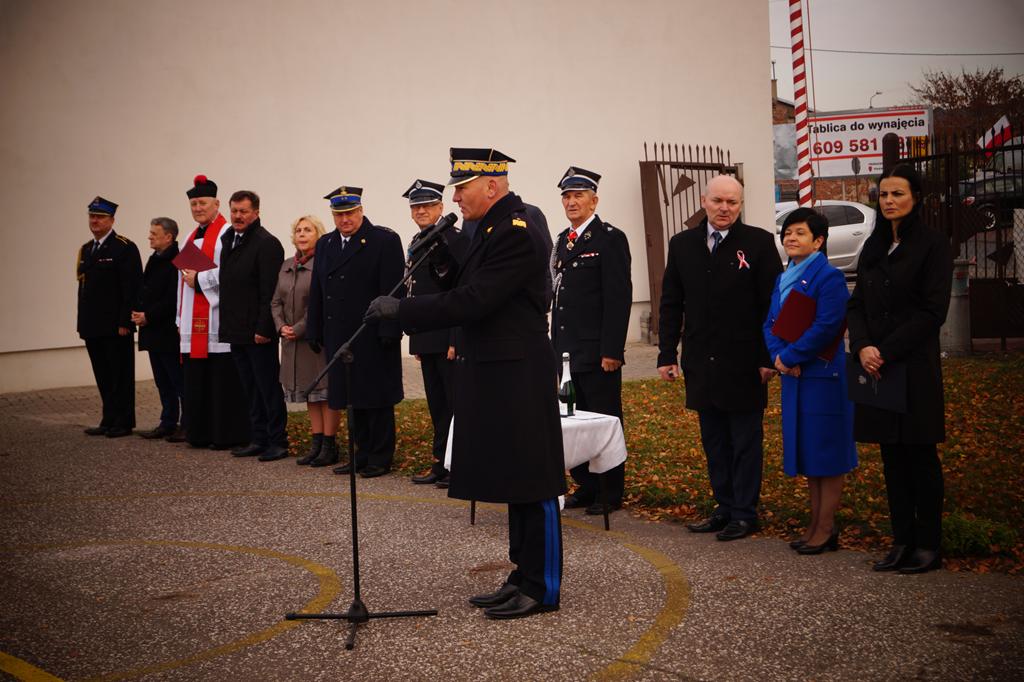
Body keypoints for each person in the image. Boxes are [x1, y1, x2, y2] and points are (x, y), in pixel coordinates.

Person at [366, 147, 566, 620]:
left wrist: (405, 311)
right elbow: (465, 281)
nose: (454, 196)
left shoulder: (517, 231)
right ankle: (522, 573)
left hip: (520, 370)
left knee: (534, 479)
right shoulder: (486, 229)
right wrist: (438, 259)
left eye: (462, 186)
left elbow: (477, 299)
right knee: (516, 476)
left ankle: (543, 586)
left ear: (491, 185)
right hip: (497, 368)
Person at [657, 175, 783, 541]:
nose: (725, 208)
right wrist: (668, 353)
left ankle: (744, 513)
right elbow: (670, 303)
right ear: (704, 201)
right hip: (701, 360)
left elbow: (771, 306)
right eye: (718, 201)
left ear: (740, 205)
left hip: (745, 362)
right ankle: (724, 506)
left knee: (744, 441)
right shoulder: (682, 245)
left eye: (732, 202)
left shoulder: (758, 243)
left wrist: (767, 357)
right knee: (713, 440)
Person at [847, 163, 952, 574]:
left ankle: (928, 543)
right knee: (892, 459)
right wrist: (862, 346)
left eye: (897, 194)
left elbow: (932, 312)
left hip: (914, 368)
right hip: (877, 369)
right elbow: (856, 305)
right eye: (883, 195)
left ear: (916, 197)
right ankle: (901, 540)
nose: (889, 201)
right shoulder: (872, 247)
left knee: (920, 457)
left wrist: (884, 350)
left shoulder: (932, 245)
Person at [763, 208, 857, 554]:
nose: (791, 238)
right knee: (809, 452)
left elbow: (827, 325)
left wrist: (790, 357)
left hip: (822, 376)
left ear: (818, 241)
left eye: (800, 233)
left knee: (827, 453)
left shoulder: (828, 277)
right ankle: (814, 524)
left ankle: (826, 527)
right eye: (787, 232)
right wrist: (778, 355)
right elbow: (770, 323)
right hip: (795, 376)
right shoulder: (783, 277)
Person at [306, 186, 405, 477]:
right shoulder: (325, 244)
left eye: (349, 213)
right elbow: (318, 290)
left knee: (376, 398)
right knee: (350, 398)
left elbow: (393, 290)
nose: (345, 219)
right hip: (339, 334)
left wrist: (390, 328)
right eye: (339, 214)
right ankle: (360, 454)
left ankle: (380, 456)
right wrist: (315, 328)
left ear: (361, 210)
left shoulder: (383, 240)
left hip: (371, 332)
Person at [550, 166, 632, 515]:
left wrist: (611, 350)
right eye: (567, 196)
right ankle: (586, 484)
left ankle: (610, 491)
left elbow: (618, 298)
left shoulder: (610, 238)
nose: (571, 202)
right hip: (567, 349)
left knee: (603, 419)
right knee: (574, 418)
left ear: (594, 200)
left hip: (598, 350)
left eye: (578, 196)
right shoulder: (561, 240)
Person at [177, 175, 251, 449]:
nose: (197, 208)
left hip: (217, 318)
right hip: (192, 320)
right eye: (193, 204)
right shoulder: (189, 235)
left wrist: (201, 281)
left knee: (221, 382)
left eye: (202, 203)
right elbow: (181, 279)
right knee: (197, 381)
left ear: (217, 203)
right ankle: (199, 432)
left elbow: (232, 271)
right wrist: (178, 315)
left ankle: (225, 434)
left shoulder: (226, 233)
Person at [402, 179, 469, 487]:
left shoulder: (453, 239)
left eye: (427, 205)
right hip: (428, 336)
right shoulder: (418, 240)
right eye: (416, 206)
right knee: (437, 406)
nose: (421, 211)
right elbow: (416, 291)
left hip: (448, 338)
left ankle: (461, 464)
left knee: (457, 405)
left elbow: (460, 291)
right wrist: (415, 335)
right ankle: (441, 462)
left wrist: (456, 338)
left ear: (441, 207)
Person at [218, 190, 288, 462]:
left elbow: (268, 292)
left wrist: (264, 329)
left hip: (258, 332)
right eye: (234, 211)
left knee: (267, 387)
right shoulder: (229, 240)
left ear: (256, 213)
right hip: (236, 329)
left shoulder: (266, 243)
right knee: (249, 387)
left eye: (243, 211)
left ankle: (277, 441)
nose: (238, 216)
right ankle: (258, 438)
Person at [271, 215, 339, 465]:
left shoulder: (323, 263)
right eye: (298, 230)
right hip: (291, 342)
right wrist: (281, 327)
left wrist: (299, 328)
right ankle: (317, 442)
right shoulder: (287, 264)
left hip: (314, 340)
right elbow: (275, 301)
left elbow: (319, 303)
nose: (301, 234)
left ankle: (330, 445)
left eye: (307, 230)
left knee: (324, 393)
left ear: (318, 234)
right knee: (310, 393)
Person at [76, 196, 143, 438]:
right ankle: (108, 418)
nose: (95, 221)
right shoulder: (86, 249)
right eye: (92, 216)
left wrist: (126, 321)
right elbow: (84, 291)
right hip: (93, 326)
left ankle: (123, 422)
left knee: (120, 374)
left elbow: (131, 287)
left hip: (116, 326)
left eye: (100, 217)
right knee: (103, 374)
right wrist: (82, 324)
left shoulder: (124, 247)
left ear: (112, 220)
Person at [132, 217, 185, 441]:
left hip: (168, 331)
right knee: (162, 381)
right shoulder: (154, 258)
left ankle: (187, 422)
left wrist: (149, 315)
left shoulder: (178, 260)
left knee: (177, 380)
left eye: (154, 234)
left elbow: (175, 298)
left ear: (168, 237)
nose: (149, 237)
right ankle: (167, 421)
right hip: (153, 331)